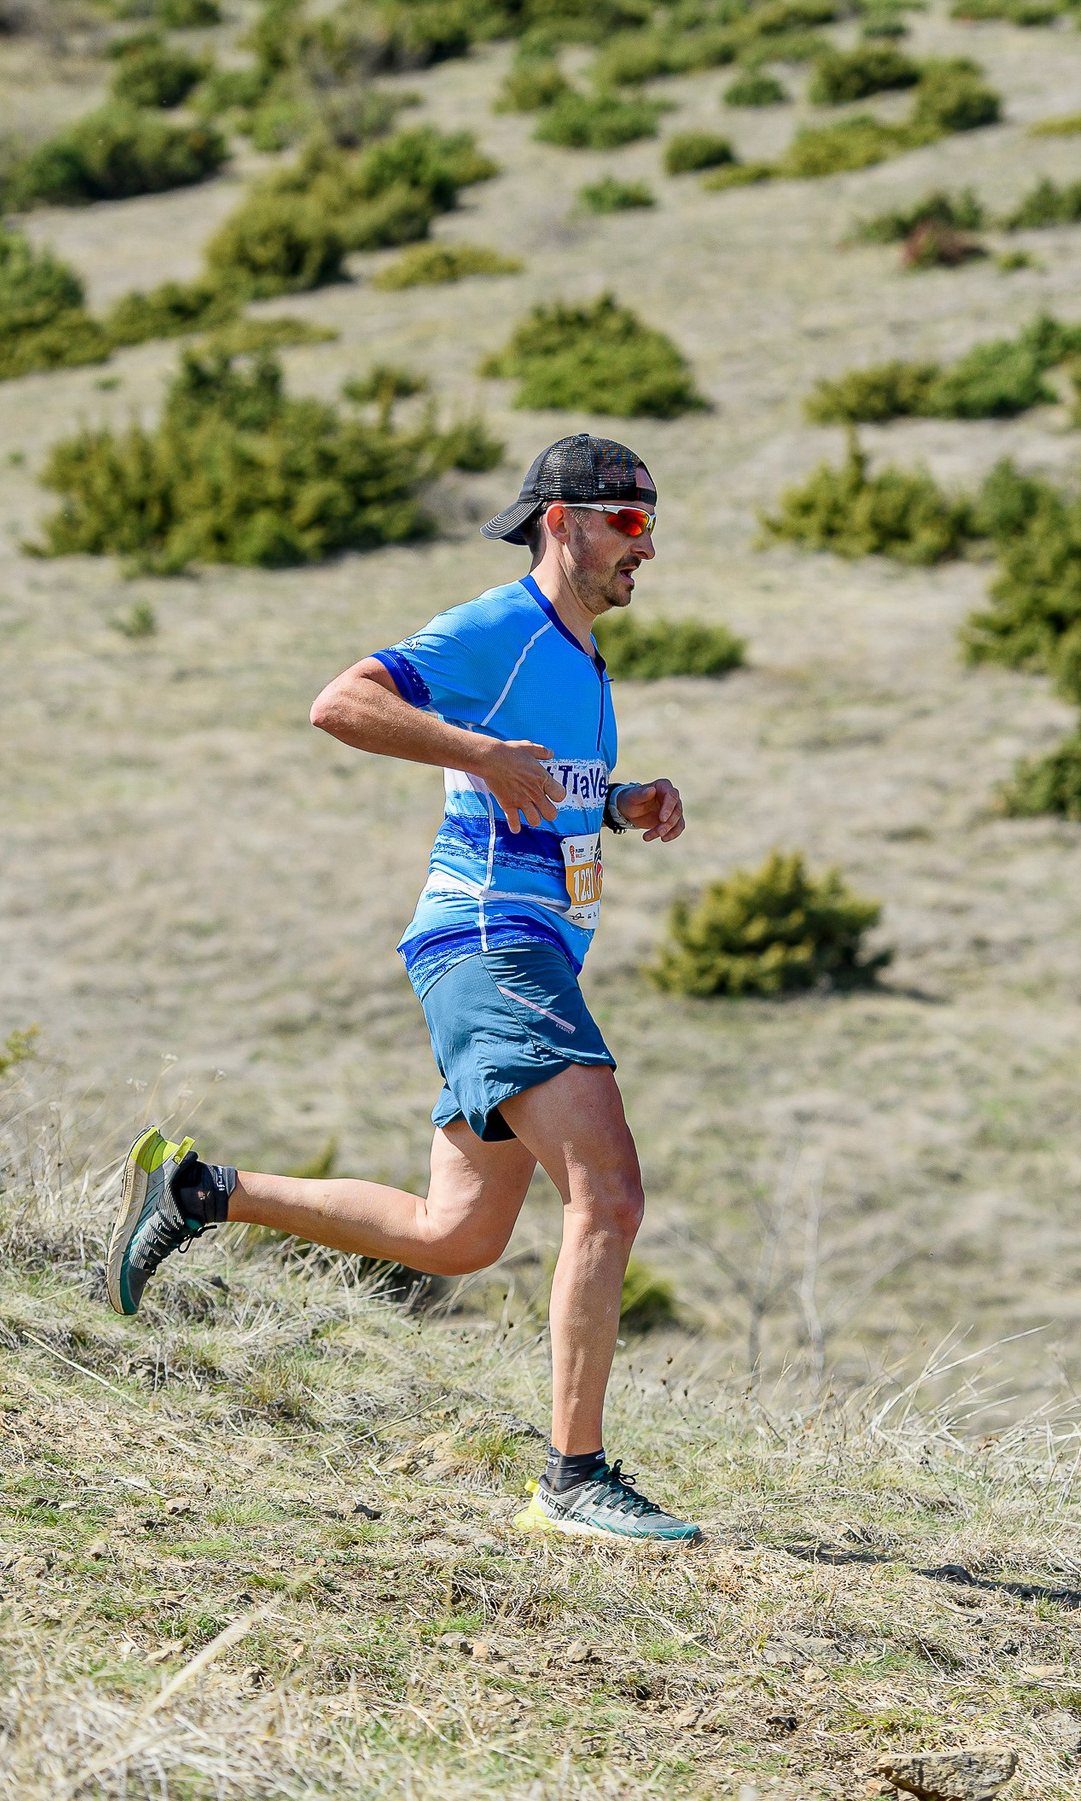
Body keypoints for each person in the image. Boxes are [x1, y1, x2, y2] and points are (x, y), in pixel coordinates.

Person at [107, 434, 701, 1545]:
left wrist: (617, 805)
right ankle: (574, 1478)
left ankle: (197, 1193)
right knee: (607, 1194)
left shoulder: (576, 660)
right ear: (559, 521)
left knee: (457, 1236)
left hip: (514, 947)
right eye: (628, 522)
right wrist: (475, 752)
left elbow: (540, 788)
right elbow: (342, 702)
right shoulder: (504, 626)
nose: (648, 547)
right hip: (491, 941)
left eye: (652, 524)